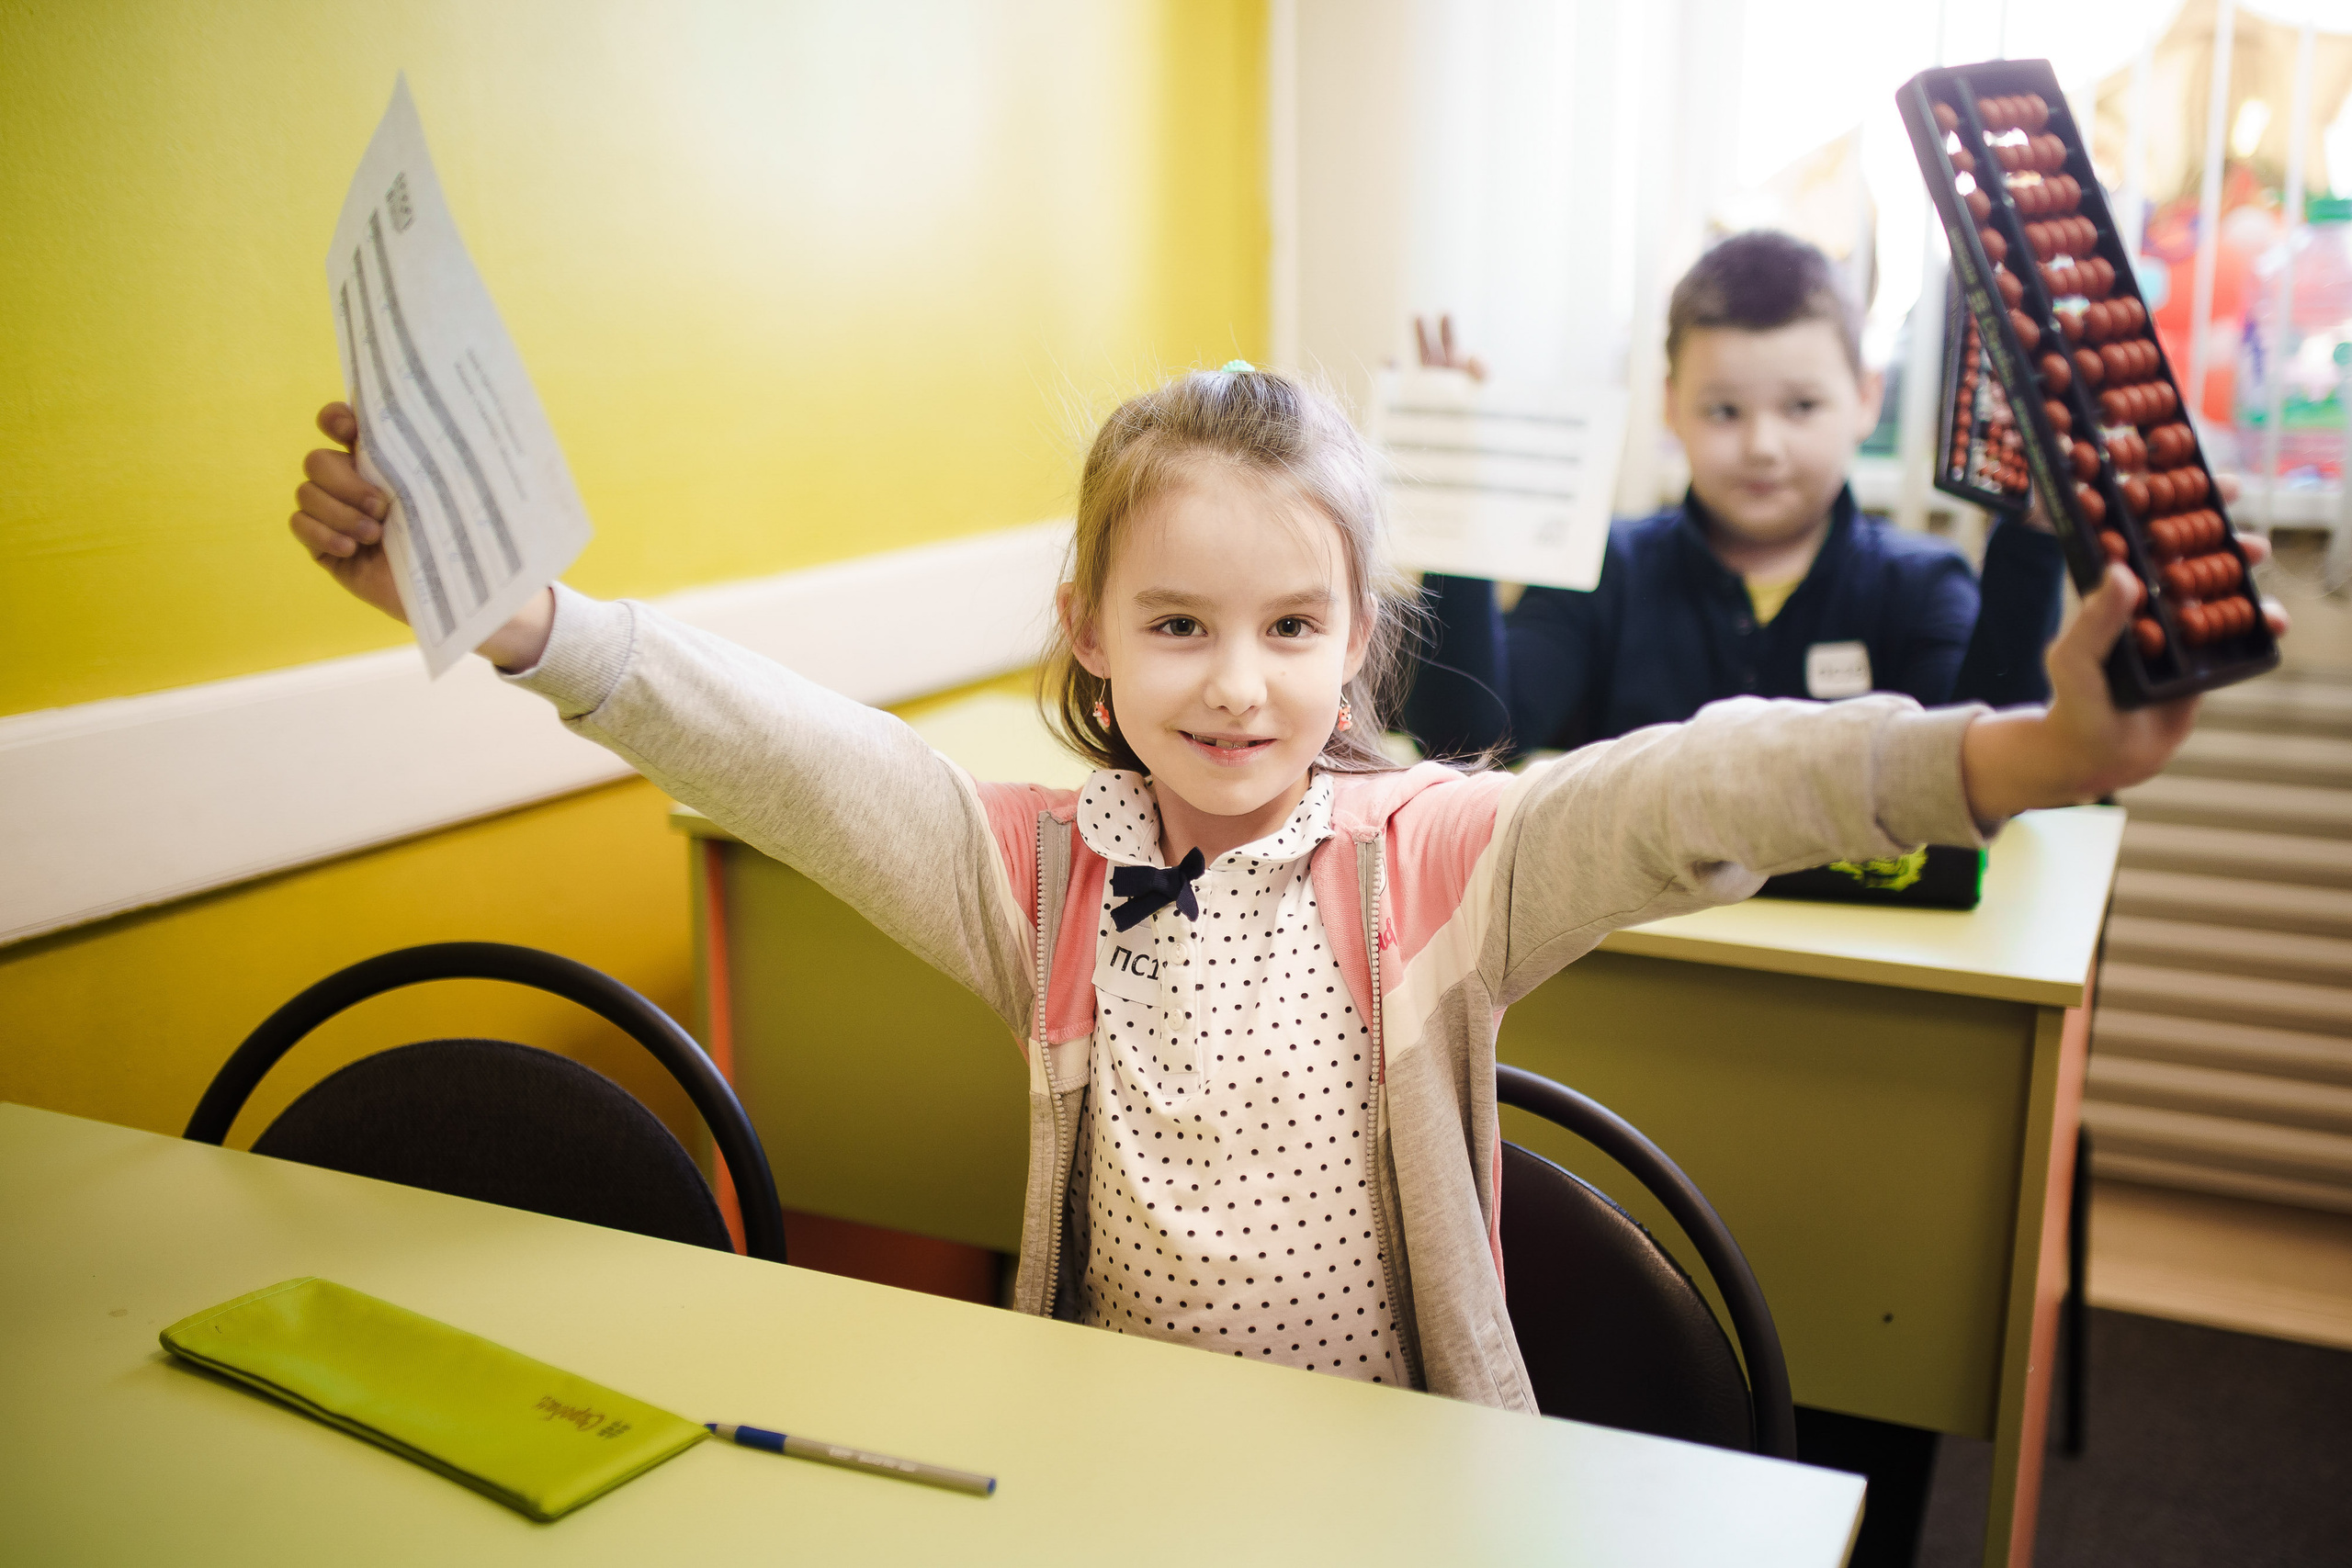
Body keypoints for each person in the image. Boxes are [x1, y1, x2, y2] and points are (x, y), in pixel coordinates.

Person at [288, 362, 2268, 1411]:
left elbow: (1695, 782)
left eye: (1287, 624)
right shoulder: (1045, 876)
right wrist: (521, 614)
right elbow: (790, 757)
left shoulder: (1437, 863)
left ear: (1356, 636)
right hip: (1118, 1457)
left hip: (1388, 1478)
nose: (1234, 684)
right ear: (1084, 634)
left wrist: (2018, 755)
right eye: (1174, 624)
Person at [1405, 231, 2071, 761]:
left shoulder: (1920, 585)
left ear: (1867, 400)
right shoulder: (1604, 567)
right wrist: (1453, 511)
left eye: (1802, 406)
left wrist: (2034, 539)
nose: (1762, 445)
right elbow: (1467, 748)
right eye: (1724, 411)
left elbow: (1984, 760)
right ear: (1672, 408)